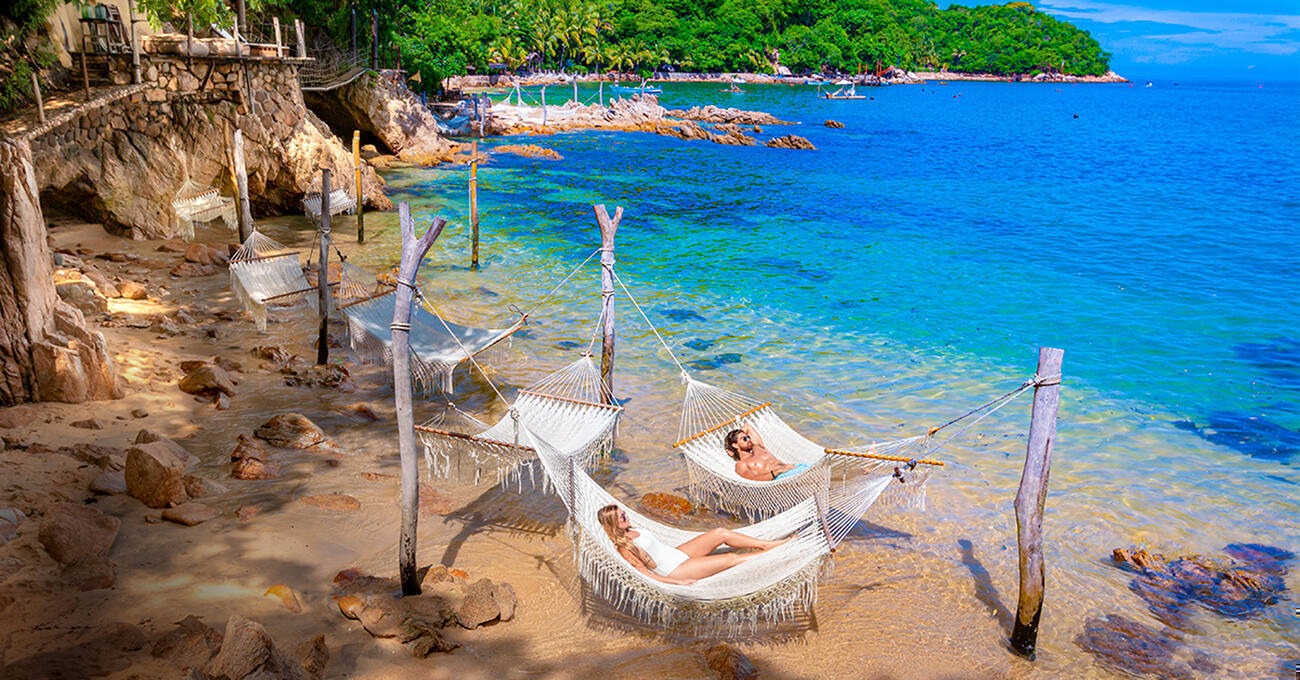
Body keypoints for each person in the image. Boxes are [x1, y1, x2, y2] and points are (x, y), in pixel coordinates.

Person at [597, 504, 789, 585]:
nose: (625, 516)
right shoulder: (624, 547)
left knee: (720, 533)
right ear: (613, 523)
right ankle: (776, 551)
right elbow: (646, 575)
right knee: (731, 558)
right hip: (675, 569)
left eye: (624, 513)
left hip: (677, 554)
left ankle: (766, 545)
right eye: (621, 516)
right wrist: (677, 582)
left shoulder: (632, 529)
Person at [723, 423, 808, 482]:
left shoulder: (758, 448)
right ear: (735, 445)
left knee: (819, 466)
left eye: (748, 437)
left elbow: (747, 426)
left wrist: (740, 437)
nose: (748, 439)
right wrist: (777, 472)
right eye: (744, 439)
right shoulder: (741, 464)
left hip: (796, 468)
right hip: (781, 477)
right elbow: (753, 478)